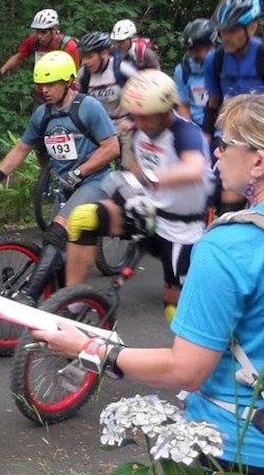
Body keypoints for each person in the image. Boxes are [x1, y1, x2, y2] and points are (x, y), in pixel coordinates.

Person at [30, 91, 264, 475]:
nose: (217, 151)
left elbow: (186, 370)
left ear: (259, 161)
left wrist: (90, 347)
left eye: (227, 142)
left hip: (236, 458)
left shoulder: (228, 245)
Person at [62, 70, 211, 321]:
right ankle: (72, 309)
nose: (139, 122)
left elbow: (195, 168)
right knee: (83, 220)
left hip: (180, 228)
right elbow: (135, 168)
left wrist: (150, 179)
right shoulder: (140, 128)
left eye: (145, 117)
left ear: (165, 111)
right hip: (147, 212)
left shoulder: (185, 133)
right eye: (136, 115)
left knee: (176, 312)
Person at [0, 50, 120, 305]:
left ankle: (29, 297)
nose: (44, 90)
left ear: (68, 82)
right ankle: (65, 301)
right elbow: (21, 149)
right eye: (41, 84)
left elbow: (111, 148)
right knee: (57, 252)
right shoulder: (43, 114)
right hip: (65, 188)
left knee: (57, 231)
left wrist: (79, 171)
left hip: (94, 182)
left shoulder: (89, 107)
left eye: (51, 84)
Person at [203, 0, 264, 215]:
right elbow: (213, 103)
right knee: (228, 191)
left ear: (252, 27)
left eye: (233, 31)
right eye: (222, 32)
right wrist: (204, 143)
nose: (225, 37)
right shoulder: (214, 60)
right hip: (232, 132)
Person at [78, 30, 138, 169]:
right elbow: (79, 100)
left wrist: (132, 120)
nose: (85, 62)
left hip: (123, 121)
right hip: (98, 123)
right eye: (83, 57)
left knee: (128, 151)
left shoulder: (122, 68)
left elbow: (146, 92)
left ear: (104, 53)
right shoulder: (83, 74)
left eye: (90, 56)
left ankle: (129, 176)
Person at [0, 8, 80, 81]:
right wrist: (2, 71)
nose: (39, 36)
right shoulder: (34, 40)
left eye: (44, 32)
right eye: (37, 32)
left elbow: (74, 77)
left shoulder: (69, 47)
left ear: (54, 30)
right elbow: (19, 56)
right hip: (41, 88)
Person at [173, 18, 216, 129]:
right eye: (190, 50)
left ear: (210, 46)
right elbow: (183, 105)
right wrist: (192, 131)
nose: (193, 54)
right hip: (196, 125)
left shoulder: (225, 67)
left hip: (221, 128)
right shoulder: (182, 71)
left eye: (197, 50)